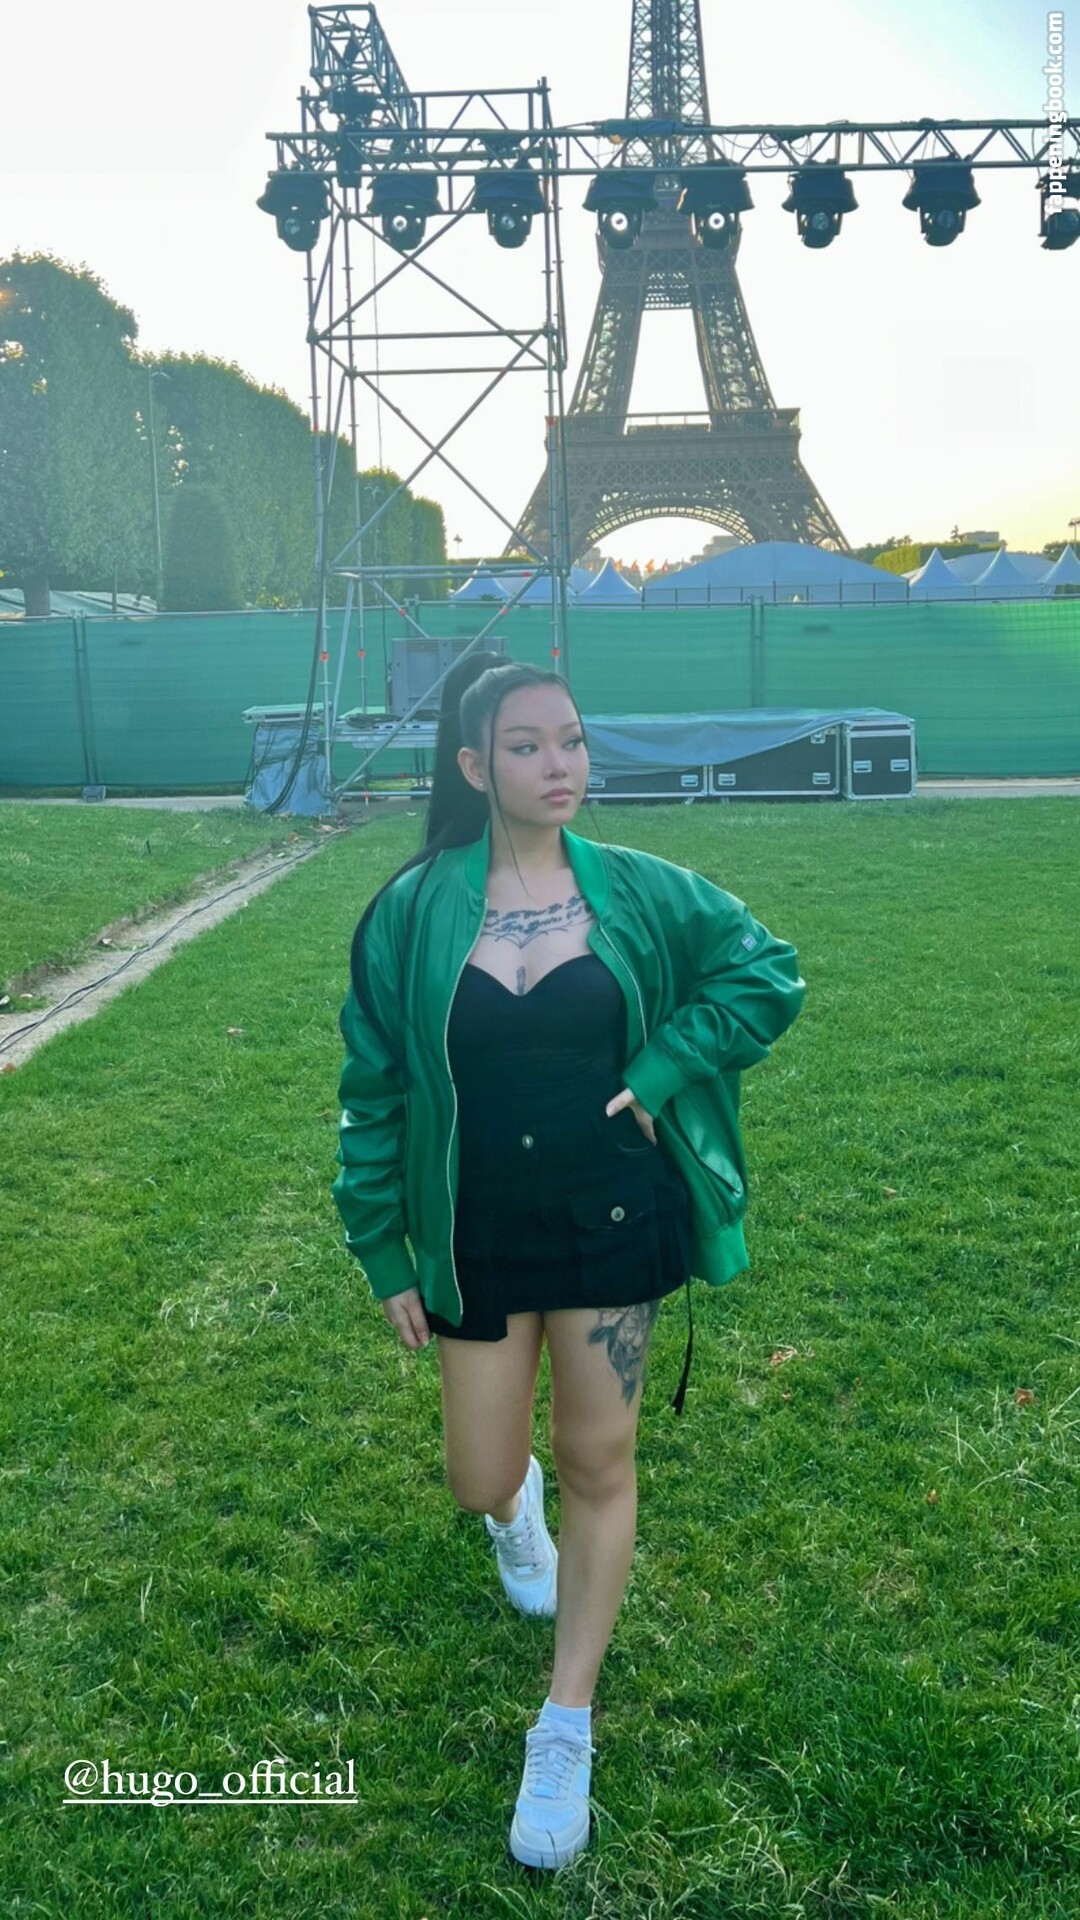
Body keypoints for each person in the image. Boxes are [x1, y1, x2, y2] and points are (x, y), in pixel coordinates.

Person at [332, 648, 805, 1872]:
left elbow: (767, 970)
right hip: (475, 1231)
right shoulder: (409, 911)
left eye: (575, 739)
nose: (562, 764)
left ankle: (565, 1721)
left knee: (604, 1459)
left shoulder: (638, 889)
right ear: (473, 764)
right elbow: (373, 1089)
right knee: (479, 1475)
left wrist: (664, 1068)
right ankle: (514, 1516)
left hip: (611, 1221)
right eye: (530, 745)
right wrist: (382, 1245)